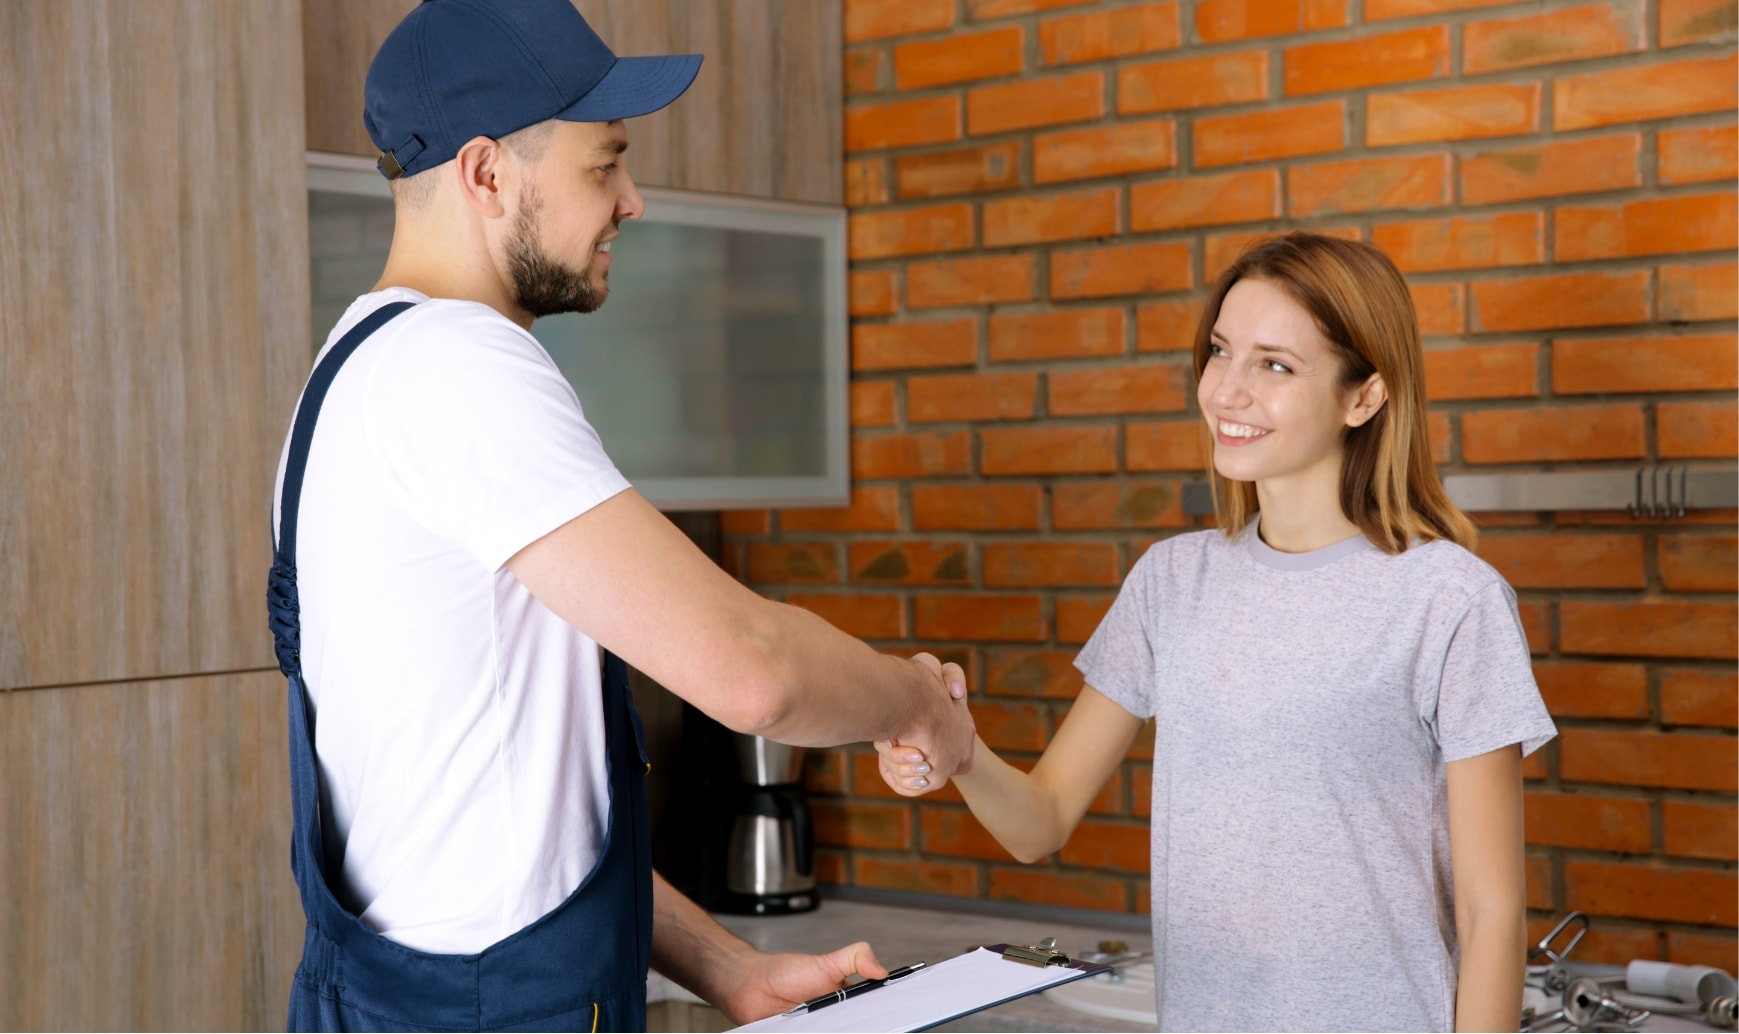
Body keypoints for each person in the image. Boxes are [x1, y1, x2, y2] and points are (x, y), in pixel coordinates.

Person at [266, 1, 973, 1030]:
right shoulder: (459, 367)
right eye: (605, 165)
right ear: (486, 172)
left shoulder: (357, 370)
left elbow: (507, 818)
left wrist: (728, 965)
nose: (632, 200)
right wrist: (913, 702)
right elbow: (750, 667)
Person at [878, 233, 1557, 1033]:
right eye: (1219, 352)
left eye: (1274, 364)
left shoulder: (1448, 600)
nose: (1226, 391)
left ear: (1363, 397)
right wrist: (957, 748)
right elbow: (1042, 819)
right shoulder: (1172, 583)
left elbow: (1491, 913)